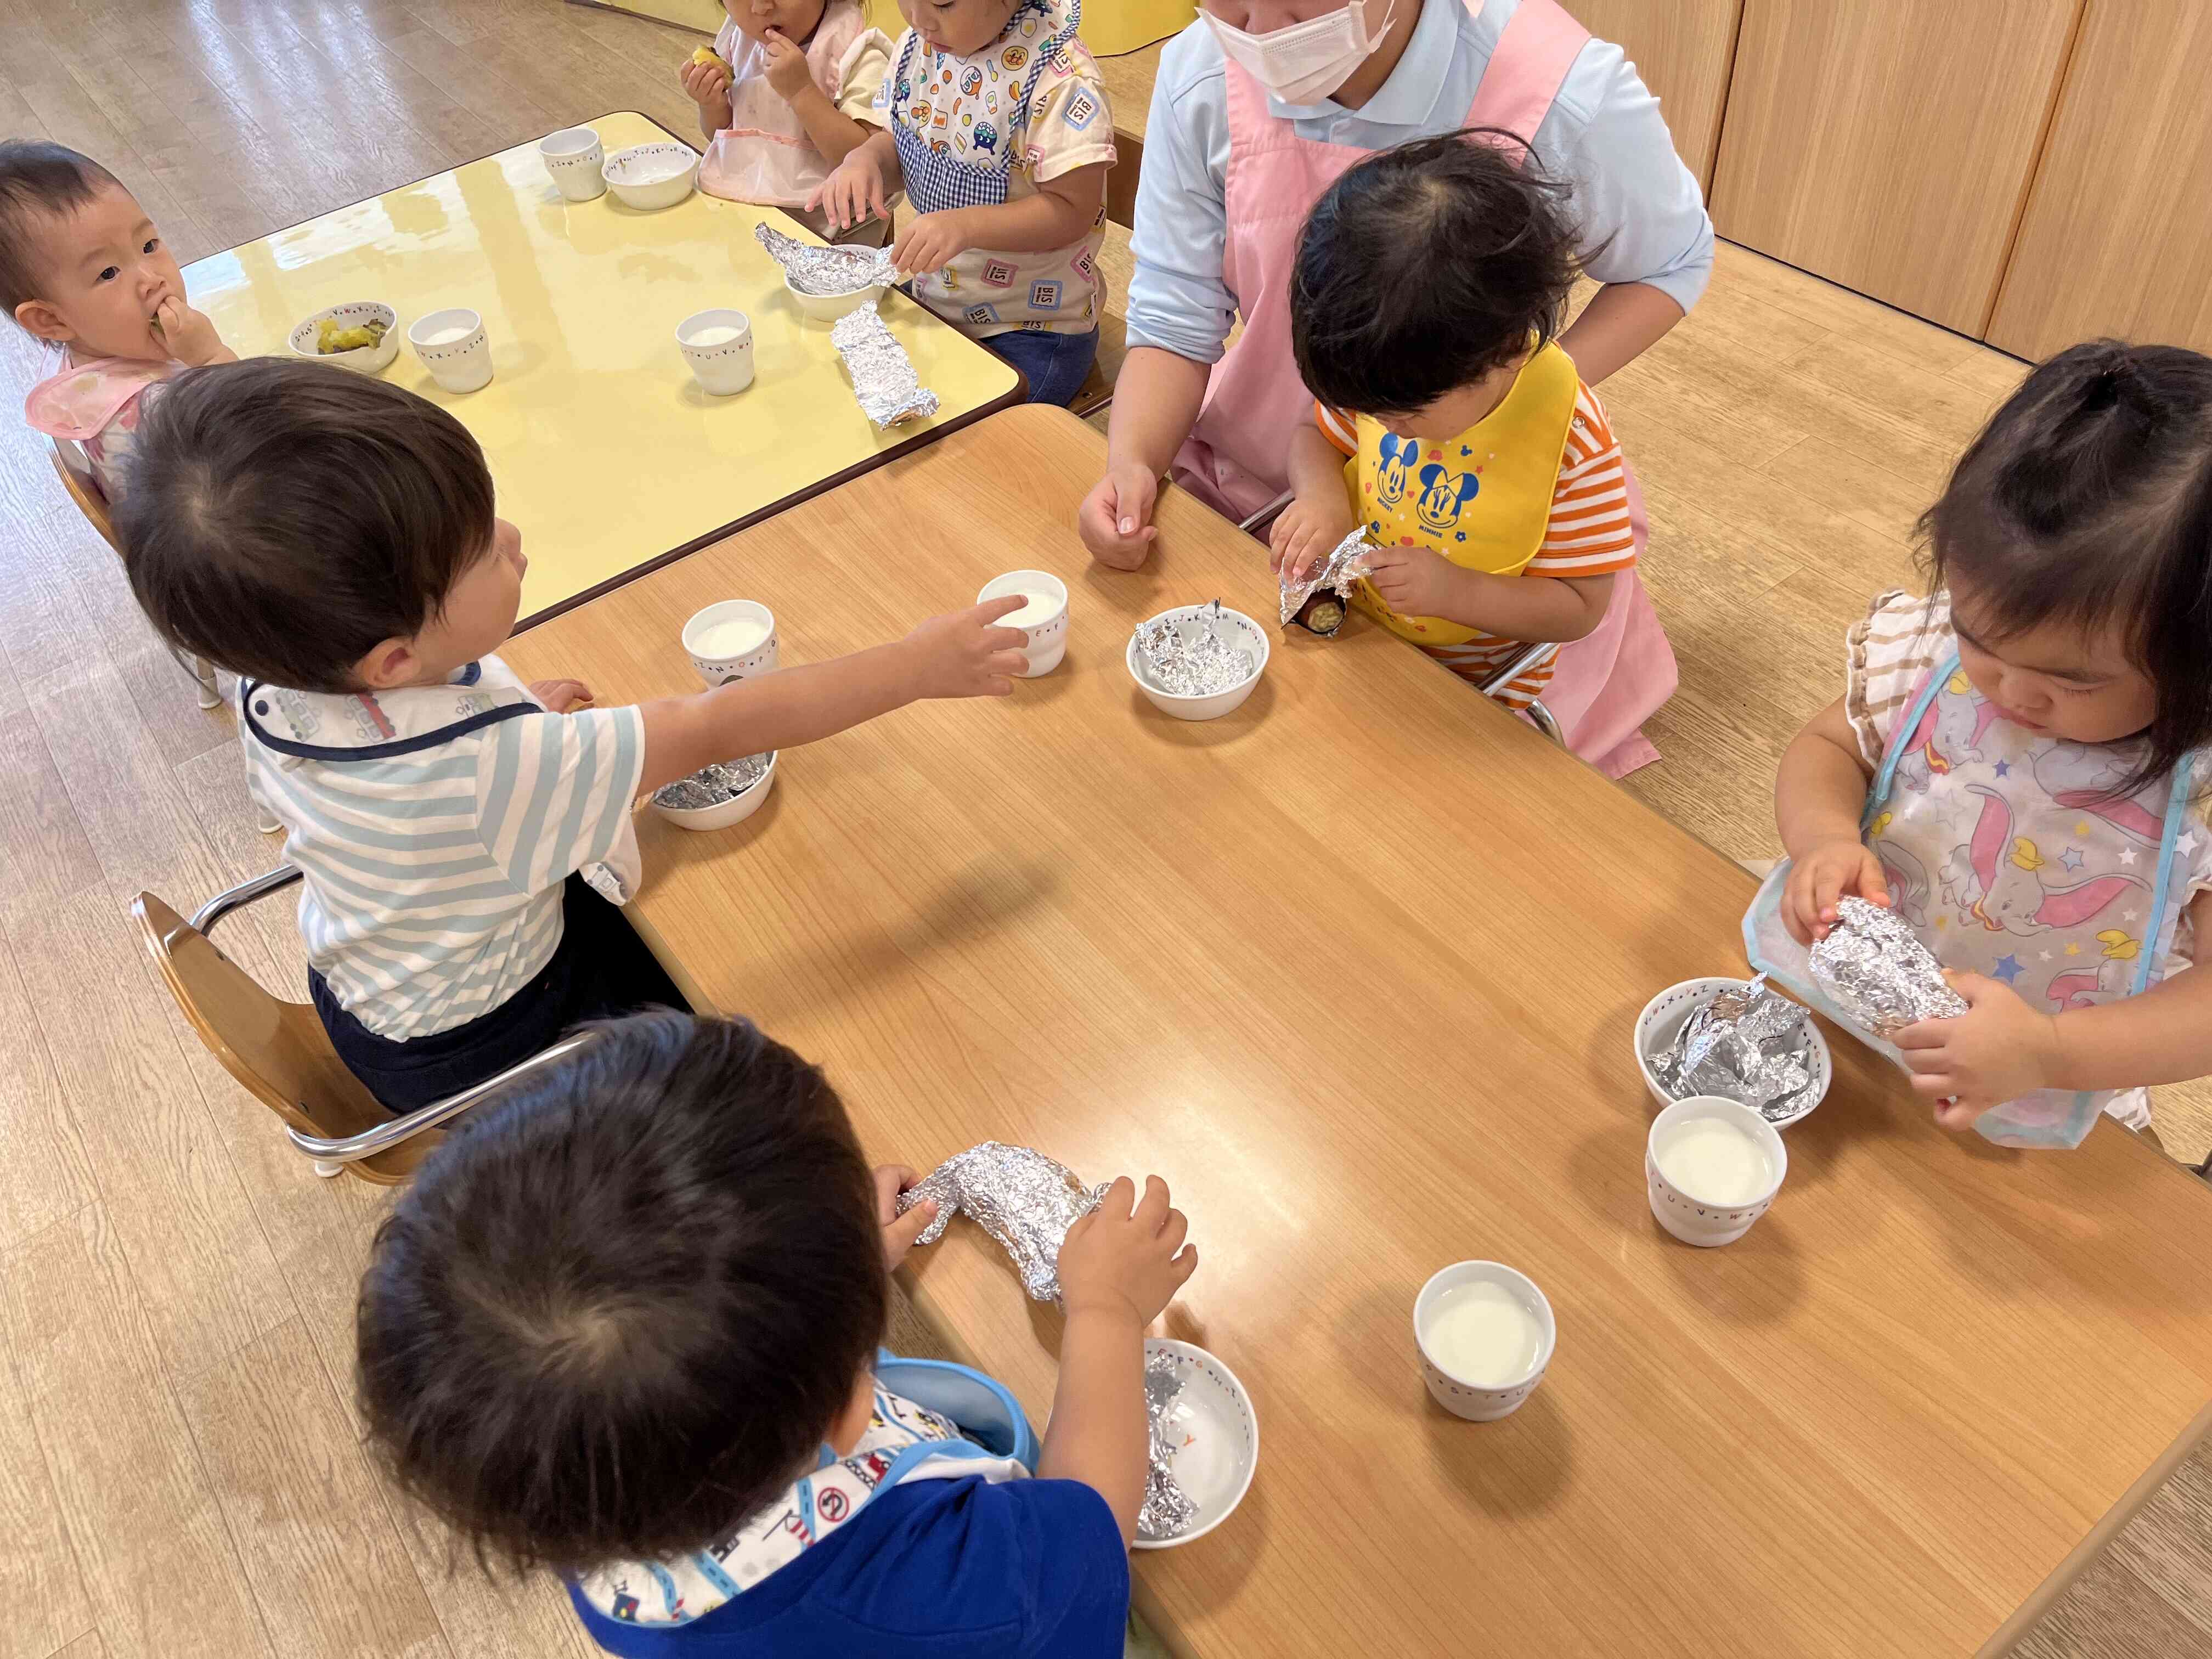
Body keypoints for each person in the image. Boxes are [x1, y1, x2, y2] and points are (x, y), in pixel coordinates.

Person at [116, 359, 1029, 1112]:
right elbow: (719, 723)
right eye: (479, 550)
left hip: (369, 986)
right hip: (490, 1050)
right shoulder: (495, 772)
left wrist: (509, 720)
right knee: (744, 1030)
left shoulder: (269, 670)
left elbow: (430, 775)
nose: (511, 536)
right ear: (394, 662)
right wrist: (917, 665)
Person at [357, 1011, 1197, 1657]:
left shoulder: (589, 1497)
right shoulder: (947, 1596)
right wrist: (1106, 1315)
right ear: (839, 1415)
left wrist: (826, 1262)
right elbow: (1089, 1523)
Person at [1749, 342, 2212, 1149]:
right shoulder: (1934, 658)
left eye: (2071, 682)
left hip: (2047, 1078)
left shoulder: (2197, 790)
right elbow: (1830, 745)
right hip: (1854, 1004)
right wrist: (1823, 838)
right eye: (1977, 639)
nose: (2007, 693)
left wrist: (2051, 1052)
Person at [1078, 0, 1711, 562]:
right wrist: (1132, 464)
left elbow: (1669, 261)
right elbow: (1174, 318)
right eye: (1231, 4)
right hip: (1265, 474)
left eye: (1300, 5)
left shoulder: (1560, 90)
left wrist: (1511, 396)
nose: (1264, 30)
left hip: (1472, 511)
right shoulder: (1202, 76)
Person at [1274, 132, 1669, 768]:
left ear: (1506, 350)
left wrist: (1453, 592)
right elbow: (1313, 436)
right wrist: (1323, 499)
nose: (1383, 427)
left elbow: (1581, 609)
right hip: (1365, 634)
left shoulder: (1572, 444)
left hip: (1480, 691)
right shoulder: (1391, 371)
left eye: (1402, 416)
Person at [811, 0, 1115, 408]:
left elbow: (1072, 211)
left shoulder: (1060, 82)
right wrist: (866, 158)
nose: (918, 19)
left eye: (942, 3)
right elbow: (902, 138)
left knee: (975, 444)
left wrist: (965, 226)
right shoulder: (923, 44)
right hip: (935, 300)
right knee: (842, 380)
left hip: (1032, 330)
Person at [3, 140, 234, 502]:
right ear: (50, 320)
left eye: (148, 246)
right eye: (109, 272)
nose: (152, 279)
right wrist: (211, 359)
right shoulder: (154, 412)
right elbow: (266, 428)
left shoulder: (87, 356)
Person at [678, 0, 895, 246]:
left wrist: (802, 92)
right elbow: (726, 136)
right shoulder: (737, 41)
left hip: (830, 235)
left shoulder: (859, 53)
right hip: (744, 215)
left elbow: (868, 162)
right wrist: (711, 105)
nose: (761, 7)